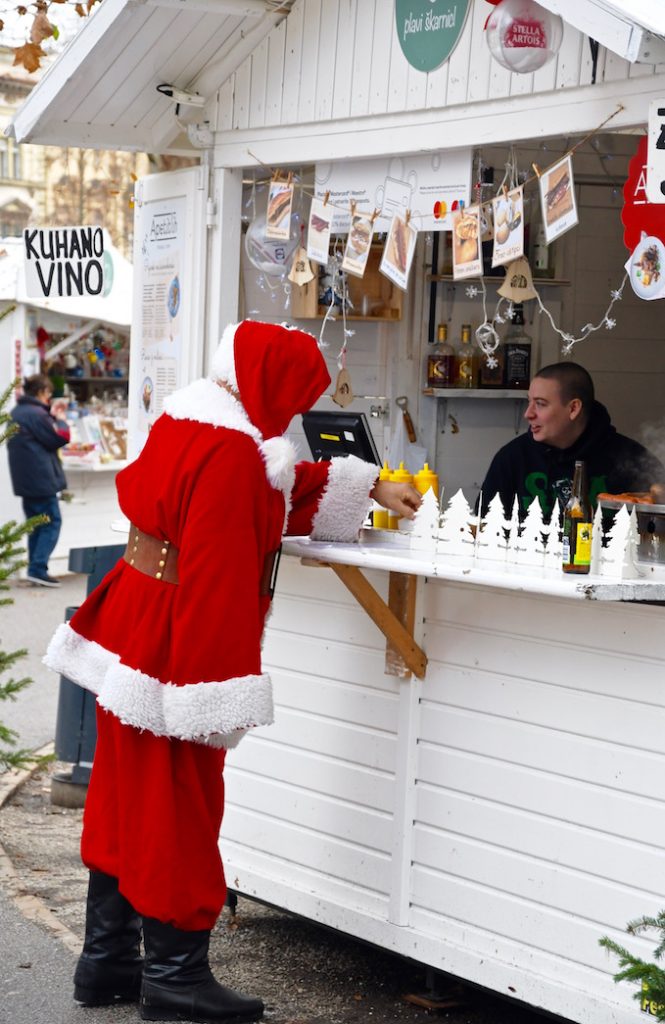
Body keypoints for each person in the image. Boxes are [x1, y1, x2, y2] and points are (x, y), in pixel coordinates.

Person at [43, 320, 421, 1024]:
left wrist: (362, 485)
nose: (299, 413)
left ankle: (107, 963)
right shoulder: (230, 455)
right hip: (178, 648)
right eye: (298, 395)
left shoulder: (193, 419)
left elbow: (266, 487)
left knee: (128, 797)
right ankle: (176, 978)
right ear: (273, 387)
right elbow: (219, 573)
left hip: (137, 624)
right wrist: (211, 694)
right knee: (181, 805)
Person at [480, 361, 665, 517]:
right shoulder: (512, 458)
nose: (528, 414)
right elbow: (483, 528)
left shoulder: (632, 459)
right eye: (529, 402)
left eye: (540, 404)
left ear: (573, 409)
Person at [7, 372, 70, 587]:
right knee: (51, 522)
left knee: (35, 524)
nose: (49, 398)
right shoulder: (36, 414)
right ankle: (38, 568)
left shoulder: (18, 412)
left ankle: (35, 568)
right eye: (49, 393)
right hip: (41, 479)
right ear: (42, 392)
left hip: (25, 480)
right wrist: (61, 422)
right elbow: (58, 438)